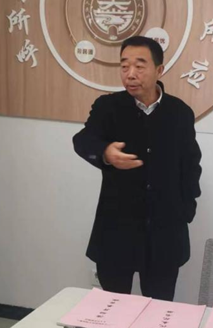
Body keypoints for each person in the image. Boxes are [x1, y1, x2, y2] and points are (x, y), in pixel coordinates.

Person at [73, 35, 202, 301]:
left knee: (158, 308)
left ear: (159, 70)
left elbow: (191, 166)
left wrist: (185, 211)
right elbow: (83, 140)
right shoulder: (108, 107)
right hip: (116, 231)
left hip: (165, 234)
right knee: (112, 308)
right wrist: (105, 152)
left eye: (139, 66)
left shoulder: (180, 113)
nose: (130, 74)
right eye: (124, 66)